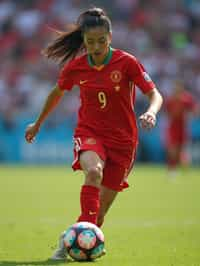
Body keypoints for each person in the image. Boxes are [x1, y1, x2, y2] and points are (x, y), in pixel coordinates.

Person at [25, 7, 163, 261]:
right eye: (90, 42)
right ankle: (70, 246)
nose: (96, 46)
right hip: (90, 132)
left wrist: (152, 112)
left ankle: (71, 238)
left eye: (101, 41)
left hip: (124, 141)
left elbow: (154, 94)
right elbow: (56, 93)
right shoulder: (76, 67)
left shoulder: (127, 62)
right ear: (83, 42)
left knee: (98, 215)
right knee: (93, 171)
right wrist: (37, 123)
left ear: (110, 37)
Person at [164, 80, 198, 174]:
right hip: (173, 128)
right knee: (172, 150)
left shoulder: (186, 99)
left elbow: (194, 110)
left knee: (180, 151)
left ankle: (179, 168)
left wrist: (191, 114)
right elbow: (167, 113)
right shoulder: (170, 100)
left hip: (183, 128)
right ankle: (172, 170)